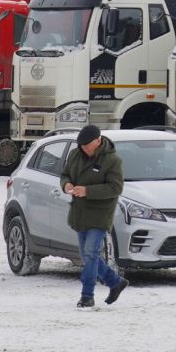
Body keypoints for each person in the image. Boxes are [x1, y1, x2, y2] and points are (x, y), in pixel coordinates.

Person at [61, 124, 128, 308]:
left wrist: (88, 191)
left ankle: (87, 295)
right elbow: (65, 174)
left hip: (100, 214)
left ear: (98, 141)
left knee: (90, 252)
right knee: (86, 255)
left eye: (87, 145)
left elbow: (116, 187)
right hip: (79, 212)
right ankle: (115, 281)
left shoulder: (112, 160)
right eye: (82, 145)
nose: (84, 149)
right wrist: (66, 185)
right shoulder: (75, 155)